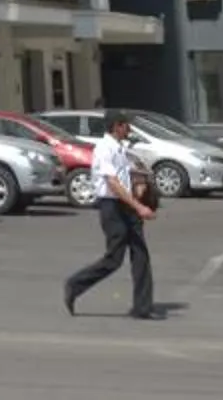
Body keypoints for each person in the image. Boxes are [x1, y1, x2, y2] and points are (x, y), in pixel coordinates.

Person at [64, 113, 159, 320]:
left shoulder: (120, 148)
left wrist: (138, 189)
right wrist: (138, 206)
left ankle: (142, 307)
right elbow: (113, 184)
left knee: (140, 254)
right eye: (127, 126)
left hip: (125, 204)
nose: (130, 130)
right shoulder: (104, 149)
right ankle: (75, 284)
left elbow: (124, 179)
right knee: (114, 259)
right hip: (111, 206)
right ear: (117, 126)